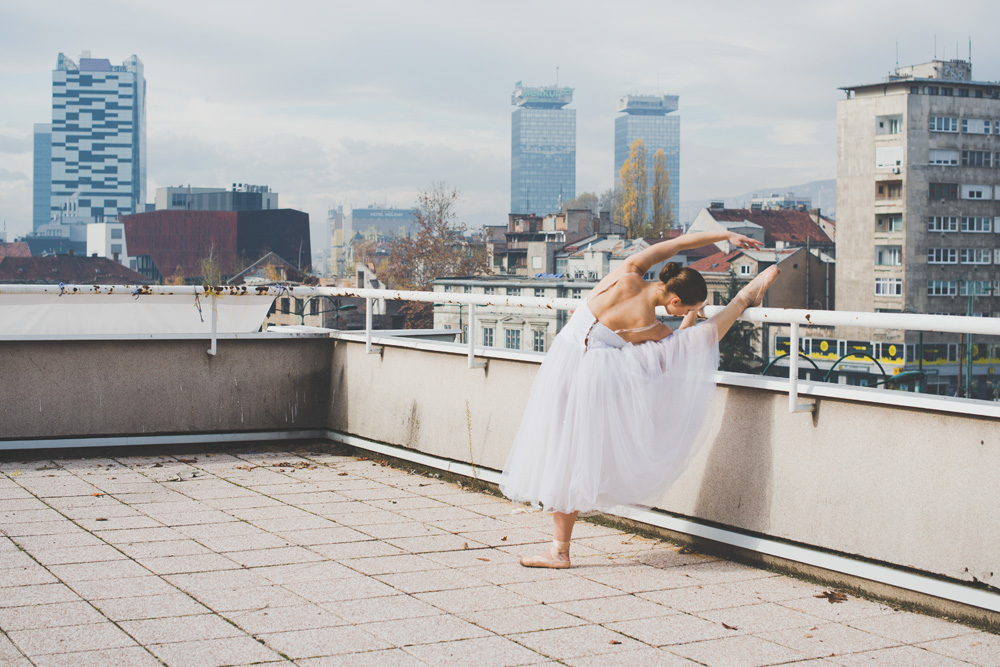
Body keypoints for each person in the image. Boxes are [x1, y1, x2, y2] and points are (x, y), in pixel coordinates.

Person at [499, 230, 780, 568]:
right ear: (674, 302)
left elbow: (675, 245)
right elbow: (684, 340)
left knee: (561, 453)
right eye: (687, 308)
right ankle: (743, 300)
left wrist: (725, 235)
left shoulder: (629, 271)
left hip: (564, 360)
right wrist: (691, 320)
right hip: (594, 377)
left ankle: (560, 550)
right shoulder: (651, 326)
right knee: (692, 344)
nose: (683, 313)